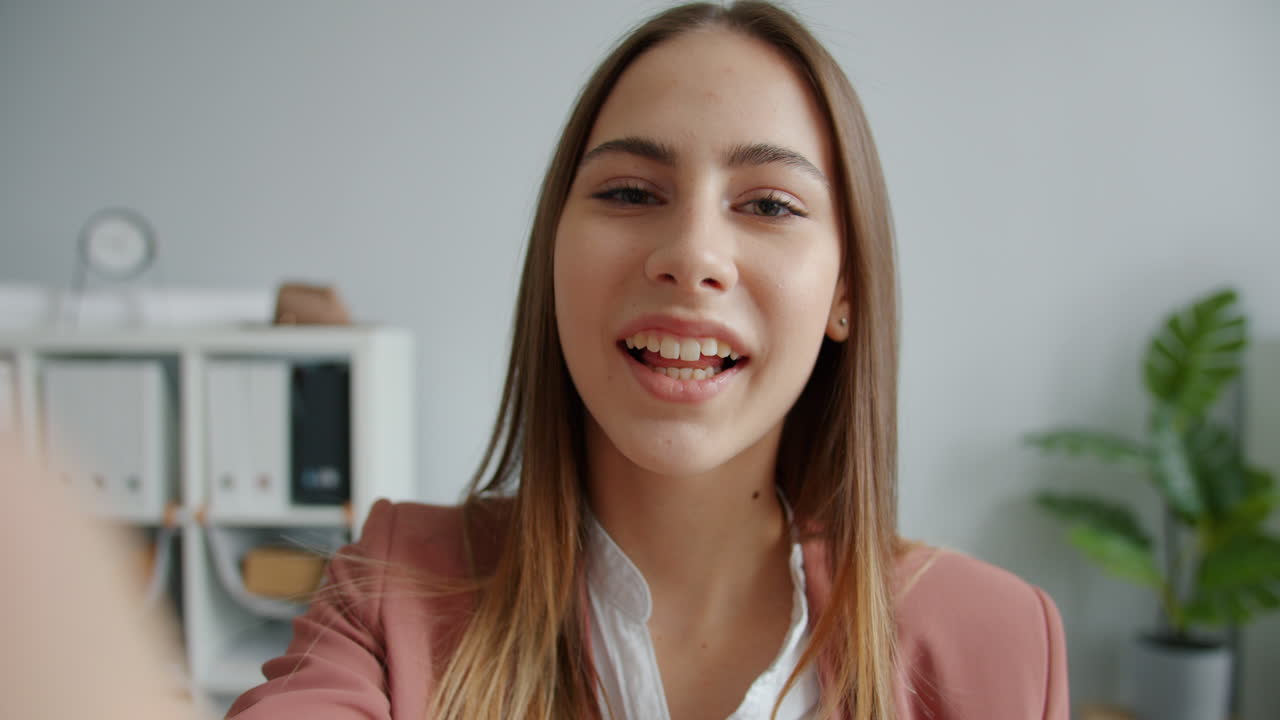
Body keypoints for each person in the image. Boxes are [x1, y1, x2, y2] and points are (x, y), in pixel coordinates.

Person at [1, 3, 1068, 719]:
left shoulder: (997, 642)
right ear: (552, 258)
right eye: (628, 192)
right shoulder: (390, 592)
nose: (691, 252)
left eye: (768, 205)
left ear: (844, 292)